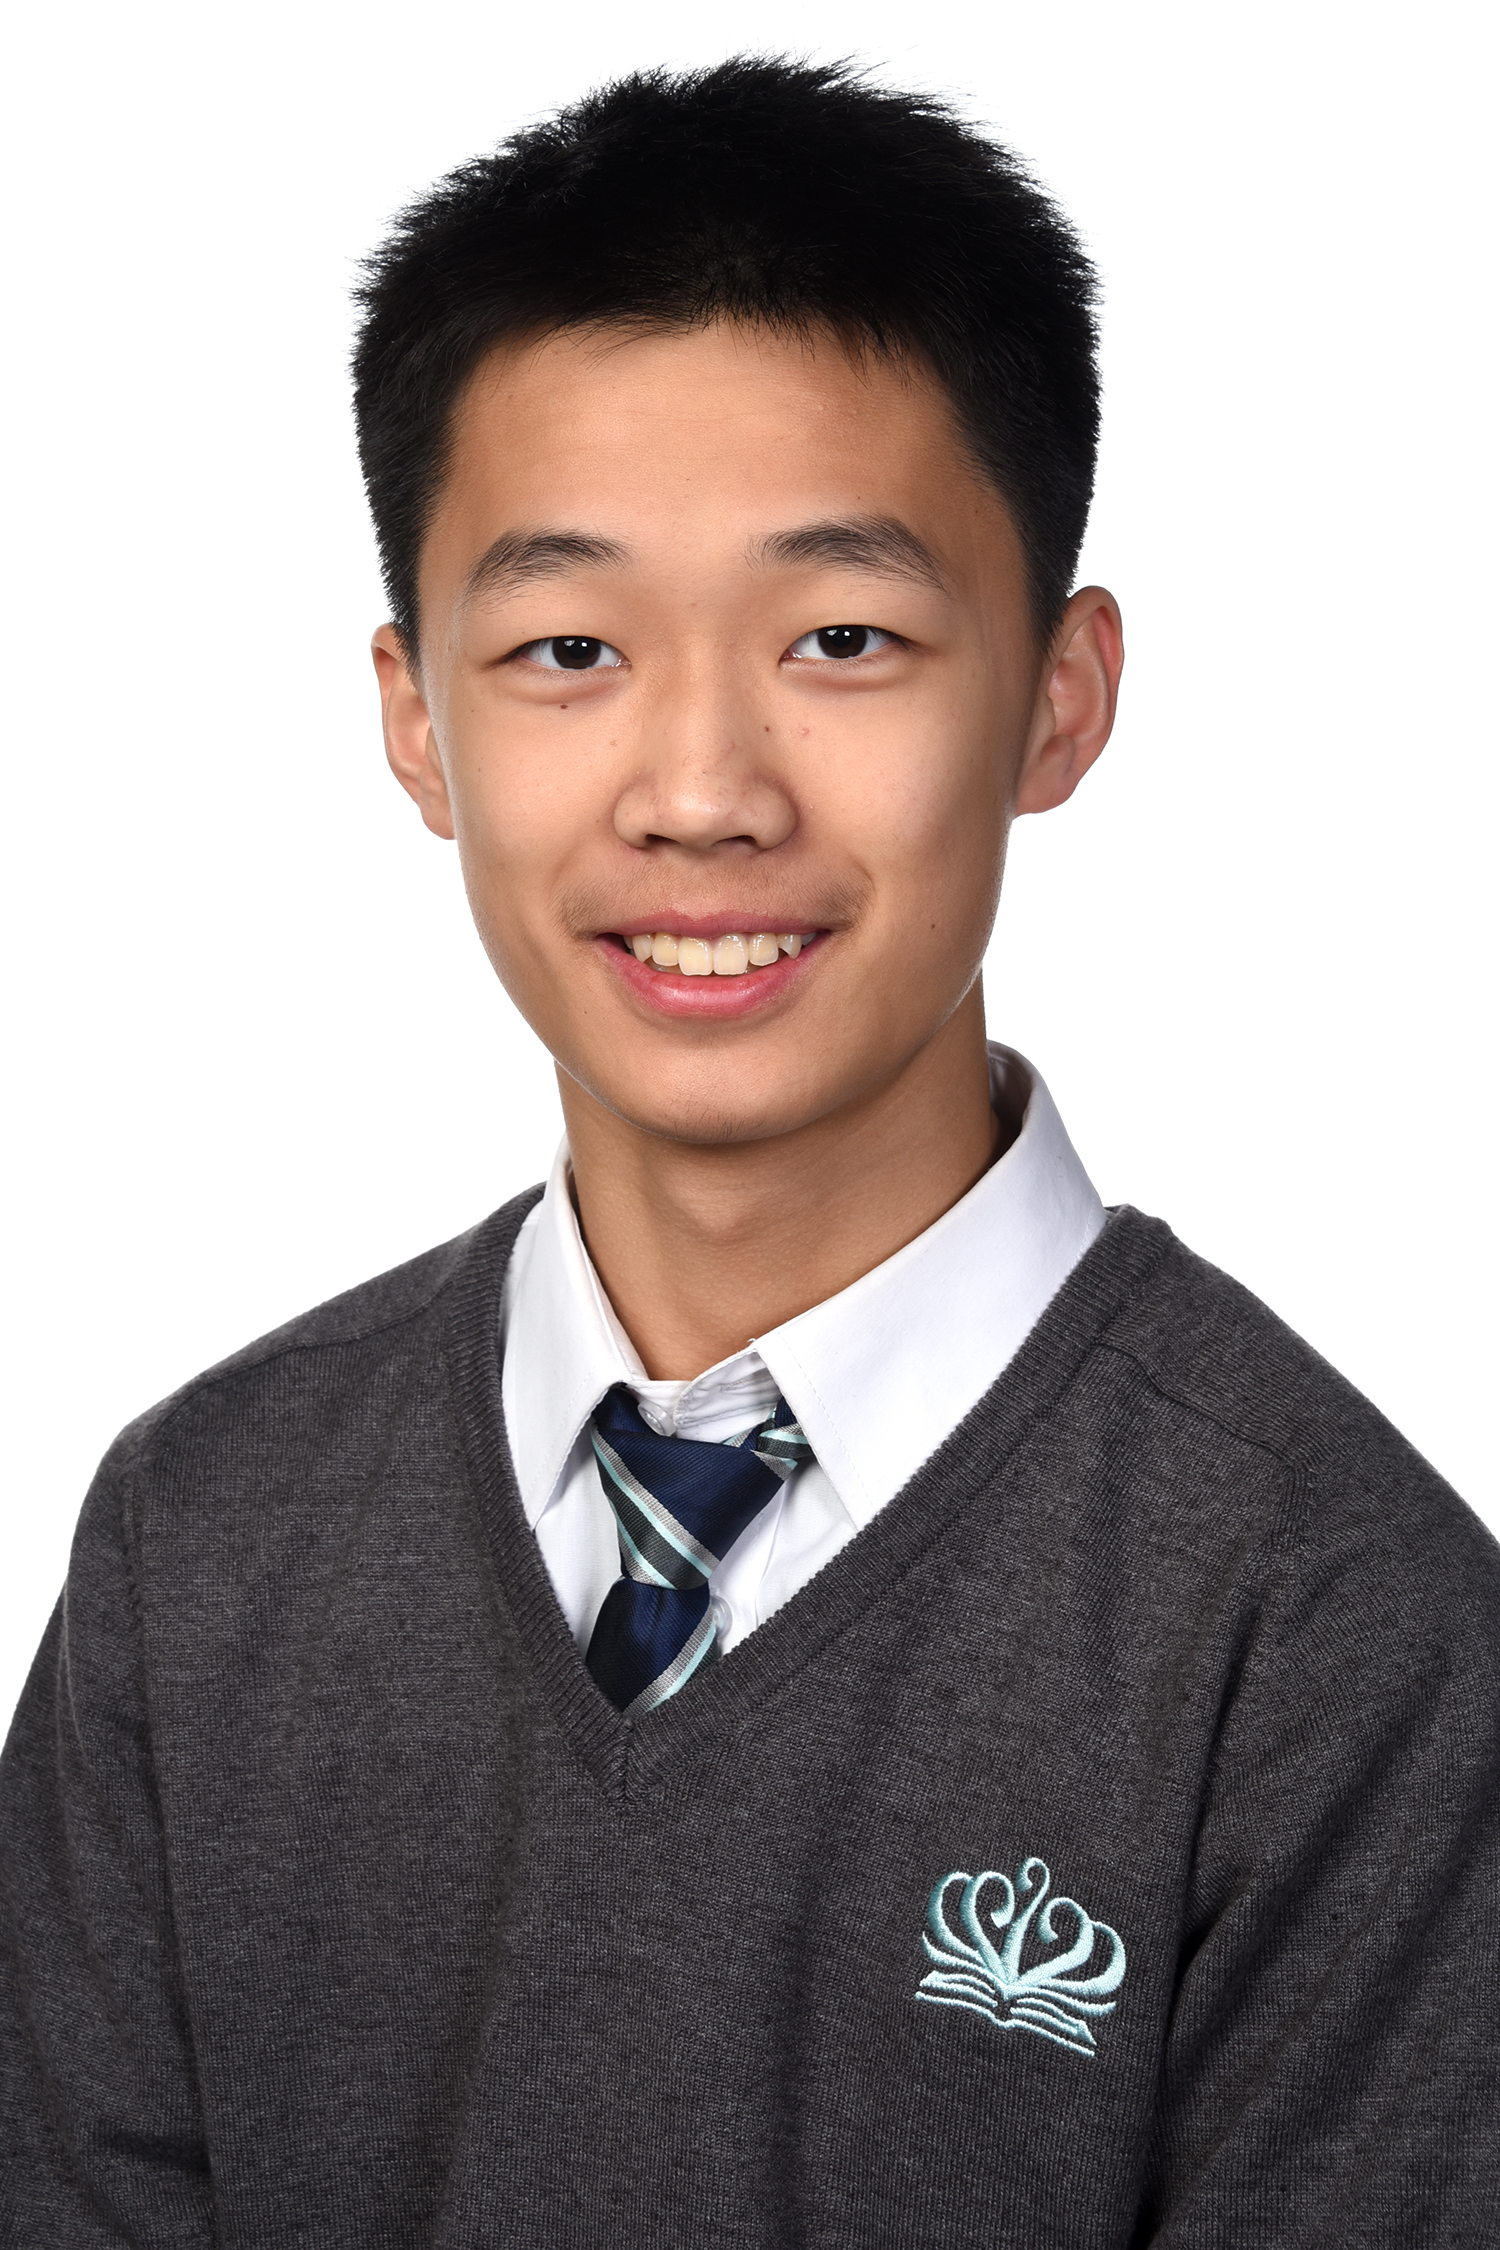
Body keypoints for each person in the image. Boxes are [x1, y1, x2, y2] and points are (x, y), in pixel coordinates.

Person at [2, 54, 1496, 2247]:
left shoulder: (1340, 1628)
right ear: (417, 722)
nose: (702, 791)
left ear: (1060, 693)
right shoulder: (197, 1546)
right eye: (568, 647)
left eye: (844, 638)